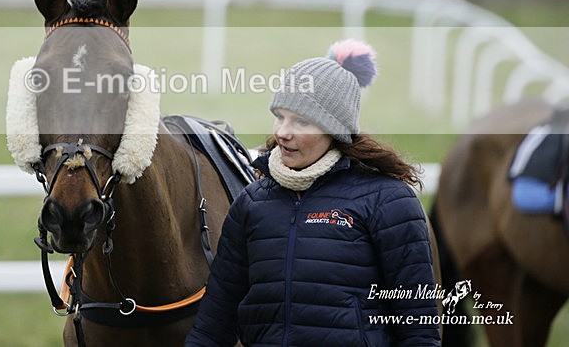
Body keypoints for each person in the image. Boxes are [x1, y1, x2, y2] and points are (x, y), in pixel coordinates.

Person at [186, 39, 440, 347]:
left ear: (333, 129)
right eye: (280, 116)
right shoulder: (253, 202)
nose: (282, 132)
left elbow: (419, 332)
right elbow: (214, 325)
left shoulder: (389, 202)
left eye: (301, 121)